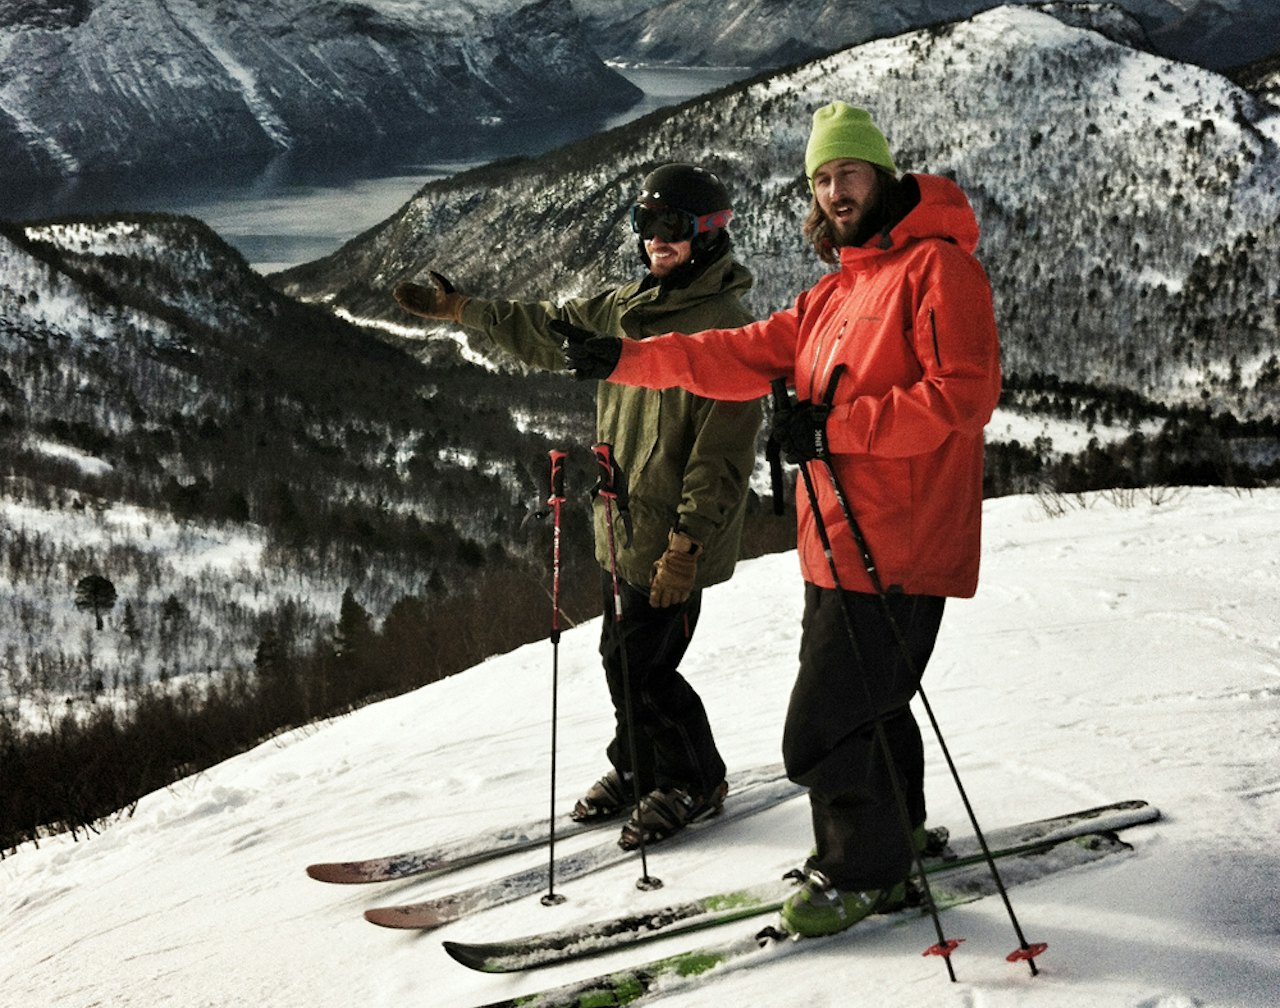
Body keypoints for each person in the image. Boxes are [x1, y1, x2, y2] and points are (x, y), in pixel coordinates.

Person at [559, 102, 1002, 935]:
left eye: (851, 172)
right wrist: (627, 356)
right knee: (870, 704)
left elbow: (964, 396)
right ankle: (894, 835)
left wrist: (835, 428)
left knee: (819, 731)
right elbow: (733, 352)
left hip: (899, 545)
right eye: (822, 178)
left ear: (885, 175)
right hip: (834, 545)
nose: (836, 190)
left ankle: (859, 874)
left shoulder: (939, 271)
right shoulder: (840, 288)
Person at [391, 163, 763, 850]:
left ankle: (693, 779)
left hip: (676, 537)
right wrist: (462, 310)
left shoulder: (728, 331)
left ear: (708, 236)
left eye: (673, 227)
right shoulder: (625, 308)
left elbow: (724, 458)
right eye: (646, 224)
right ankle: (638, 765)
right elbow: (544, 329)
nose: (657, 240)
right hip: (624, 525)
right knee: (619, 658)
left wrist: (688, 545)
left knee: (647, 669)